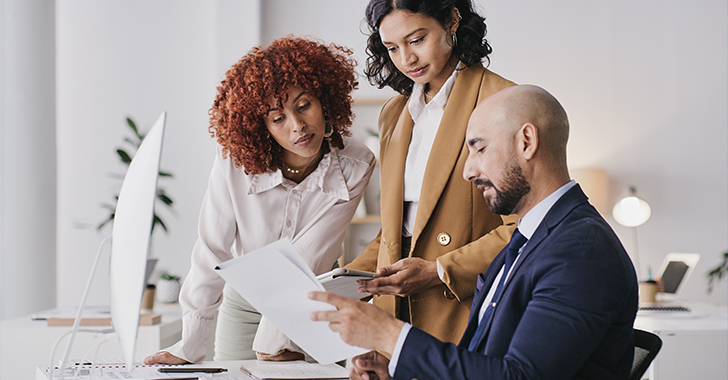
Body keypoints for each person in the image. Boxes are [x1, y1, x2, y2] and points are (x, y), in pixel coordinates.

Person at [311, 85, 639, 379]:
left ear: (527, 142)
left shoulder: (581, 251)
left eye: (479, 149)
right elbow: (484, 364)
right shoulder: (529, 239)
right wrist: (396, 367)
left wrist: (389, 337)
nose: (469, 170)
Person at [144, 36, 376, 365]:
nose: (298, 126)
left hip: (314, 302)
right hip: (243, 304)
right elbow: (212, 248)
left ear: (324, 98)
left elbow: (313, 252)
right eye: (278, 118)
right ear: (261, 126)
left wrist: (276, 340)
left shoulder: (356, 163)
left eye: (304, 105)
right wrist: (190, 344)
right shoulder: (234, 162)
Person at [344, 0, 518, 345]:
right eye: (392, 48)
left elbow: (526, 228)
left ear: (452, 20)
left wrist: (440, 270)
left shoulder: (503, 101)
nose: (406, 59)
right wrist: (345, 281)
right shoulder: (394, 113)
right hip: (393, 312)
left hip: (462, 307)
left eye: (416, 40)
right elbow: (396, 230)